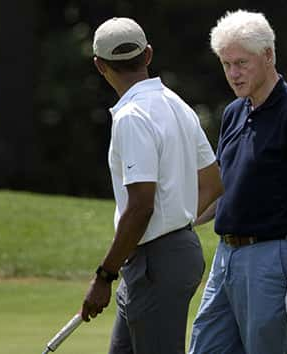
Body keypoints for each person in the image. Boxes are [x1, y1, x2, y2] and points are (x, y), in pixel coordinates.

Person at [189, 10, 287, 354]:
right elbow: (222, 193)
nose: (233, 74)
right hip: (226, 258)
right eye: (226, 64)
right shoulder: (235, 112)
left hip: (271, 259)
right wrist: (177, 223)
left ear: (268, 55)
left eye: (241, 63)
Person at [80, 17, 223, 354]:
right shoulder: (177, 104)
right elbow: (214, 183)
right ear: (147, 55)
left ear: (100, 66)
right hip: (170, 254)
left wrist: (103, 276)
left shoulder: (132, 117)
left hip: (156, 262)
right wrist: (176, 221)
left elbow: (141, 206)